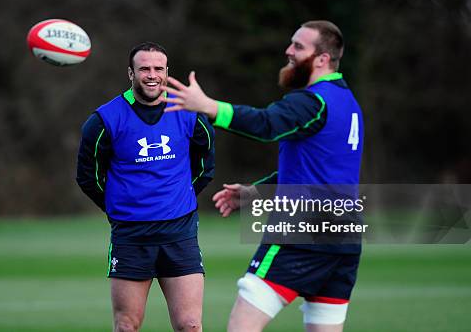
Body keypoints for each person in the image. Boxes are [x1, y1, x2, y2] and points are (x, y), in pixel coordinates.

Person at [161, 21, 363, 332]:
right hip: (343, 238)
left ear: (322, 58)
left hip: (302, 234)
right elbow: (315, 172)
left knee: (242, 326)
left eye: (298, 46)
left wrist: (210, 107)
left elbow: (267, 124)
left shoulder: (313, 101)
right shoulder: (348, 102)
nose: (289, 51)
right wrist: (256, 193)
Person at [76, 42, 215, 332]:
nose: (152, 75)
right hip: (131, 236)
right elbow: (88, 176)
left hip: (180, 233)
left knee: (190, 325)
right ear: (131, 73)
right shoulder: (104, 120)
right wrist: (118, 205)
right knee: (127, 325)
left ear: (167, 72)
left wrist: (178, 197)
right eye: (144, 69)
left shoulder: (189, 112)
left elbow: (205, 166)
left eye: (158, 69)